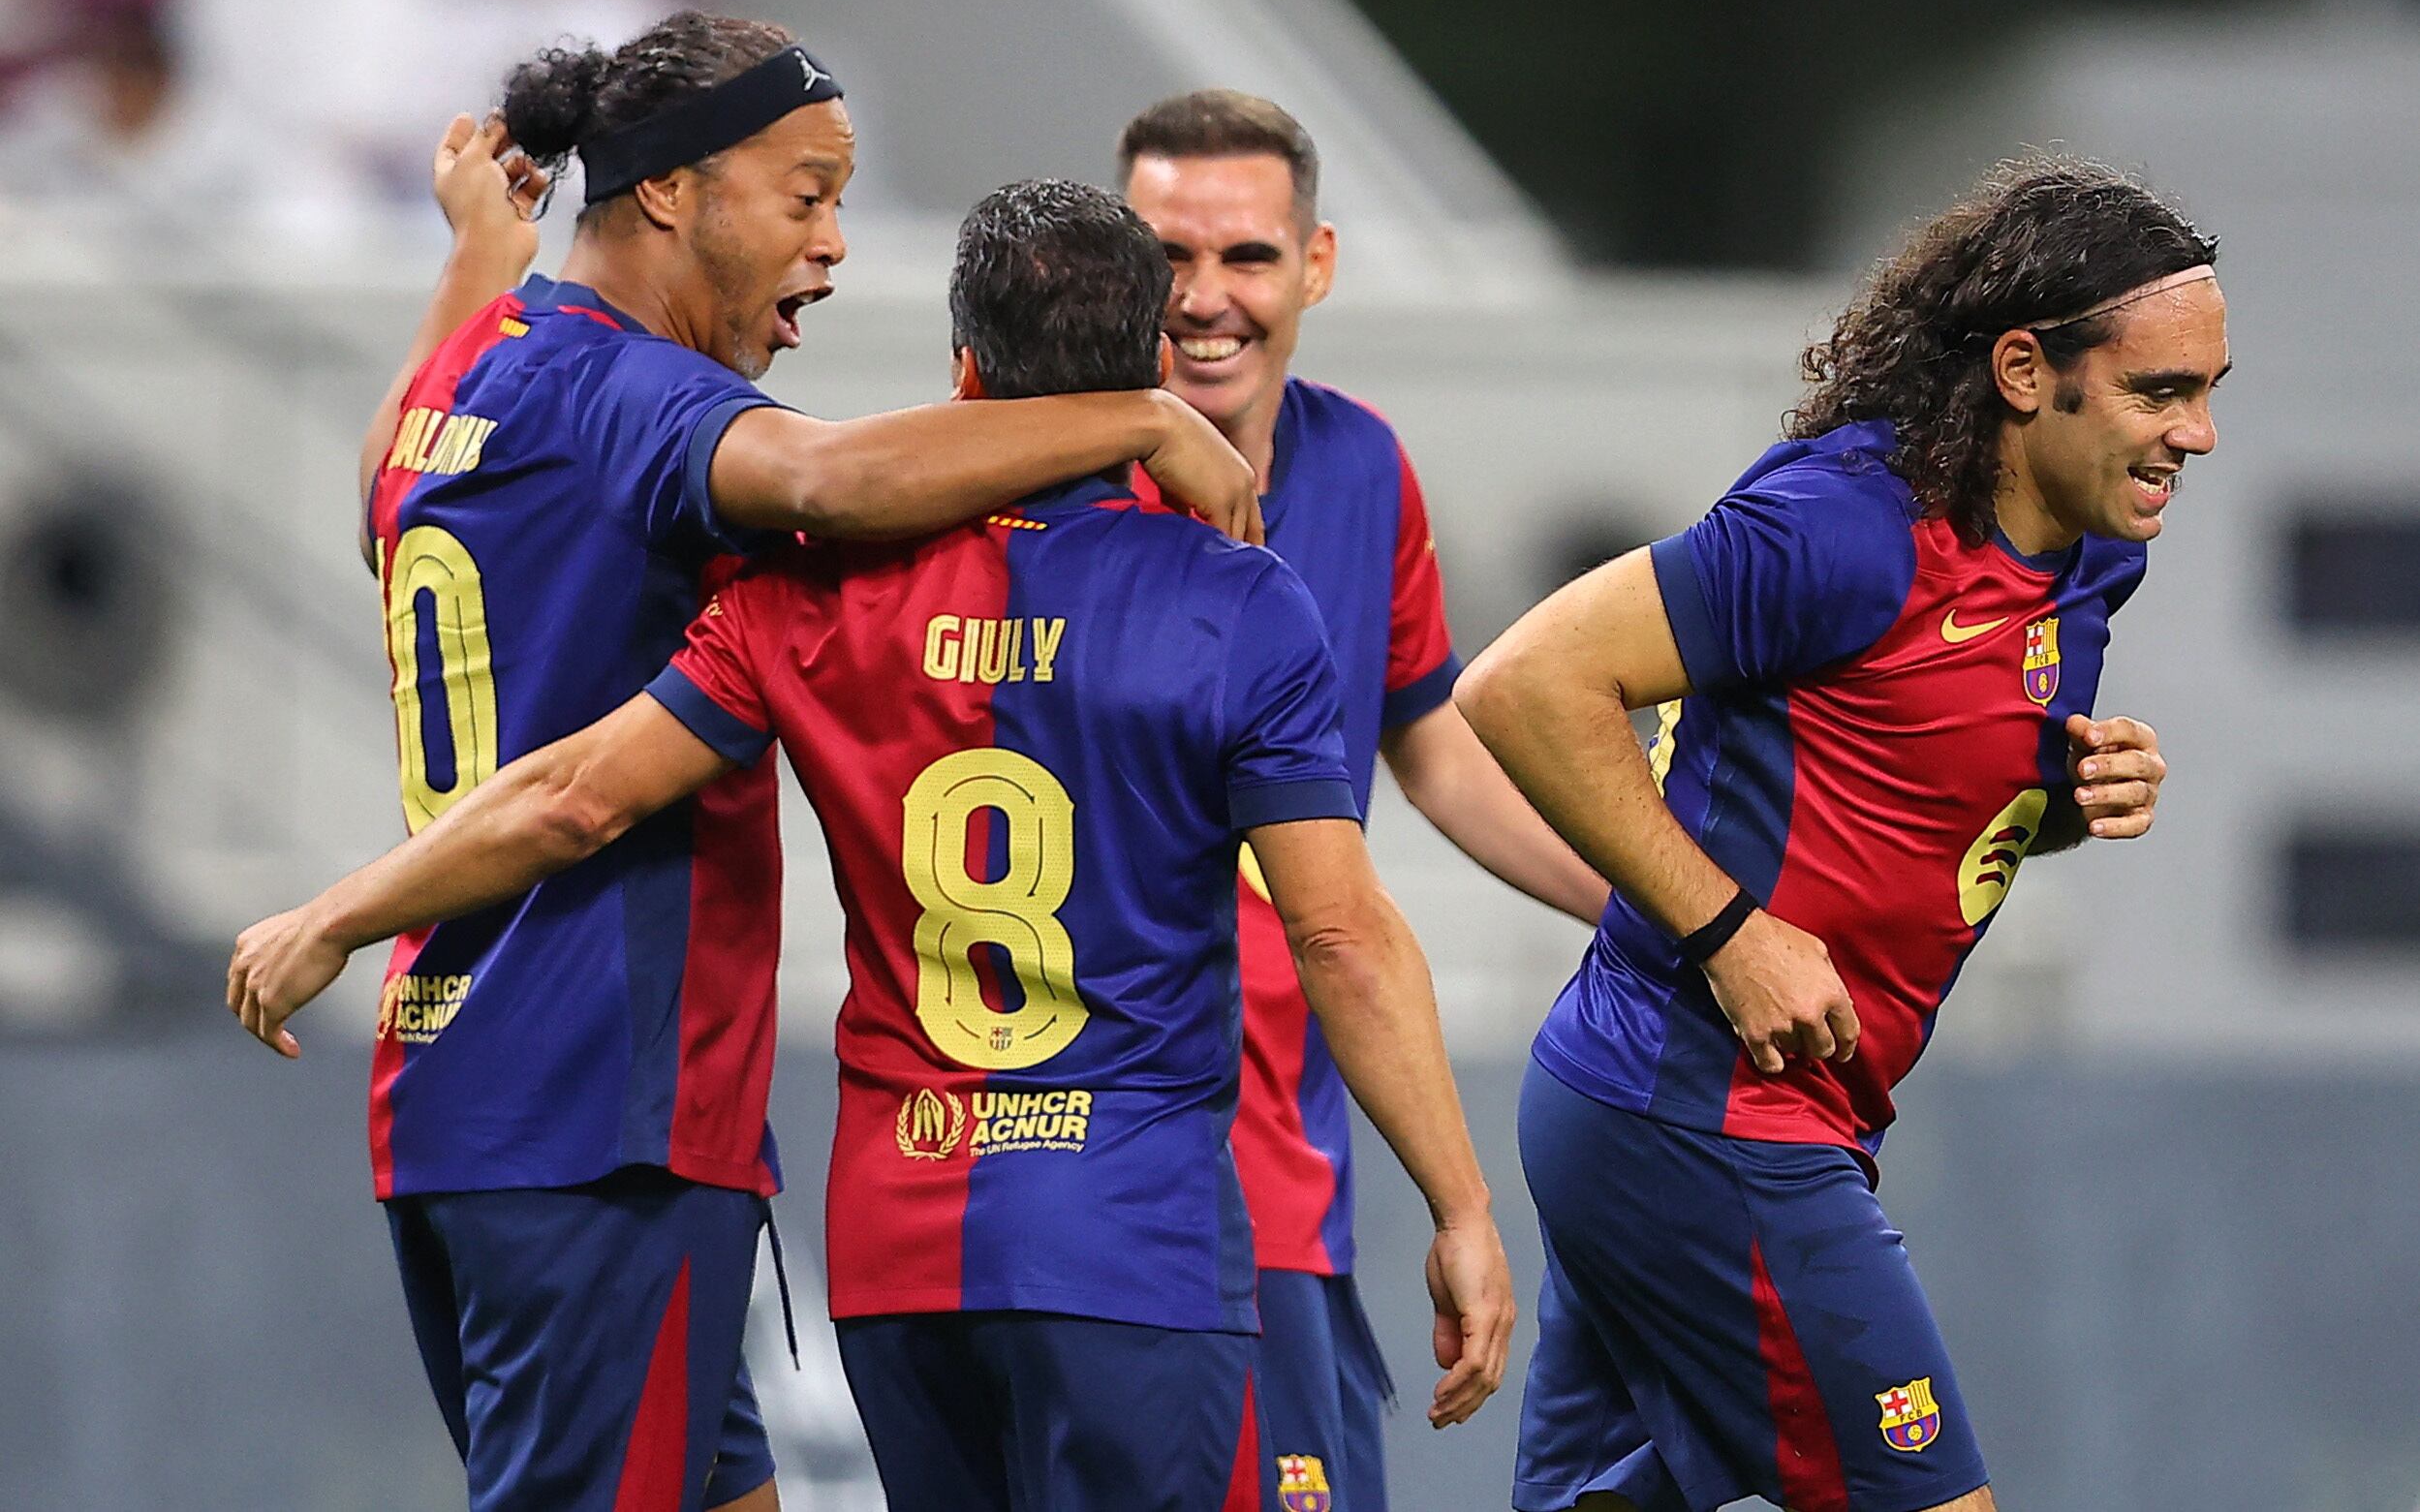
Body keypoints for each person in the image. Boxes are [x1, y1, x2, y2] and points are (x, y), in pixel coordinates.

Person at [231, 176, 1518, 1512]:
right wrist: (1462, 1206)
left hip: (901, 1248)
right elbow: (1338, 935)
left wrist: (340, 912)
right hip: (1130, 1236)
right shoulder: (1237, 603)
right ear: (1148, 365)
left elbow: (570, 794)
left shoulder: (807, 591)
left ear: (962, 367)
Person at [1454, 158, 2221, 1512]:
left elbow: (1925, 787)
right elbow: (1520, 686)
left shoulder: (2094, 557)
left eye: (2208, 391)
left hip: (1708, 1116)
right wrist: (1730, 932)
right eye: (2159, 392)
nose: (2196, 435)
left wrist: (2071, 794)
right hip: (1699, 1110)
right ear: (2024, 371)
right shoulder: (1845, 528)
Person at [1116, 89, 1608, 1509]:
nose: (1204, 297)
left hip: (1293, 1155)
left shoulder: (1360, 465)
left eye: (1247, 256)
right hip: (1141, 1154)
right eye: (1166, 255)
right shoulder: (1052, 485)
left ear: (1315, 264)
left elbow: (1429, 742)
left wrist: (1661, 908)